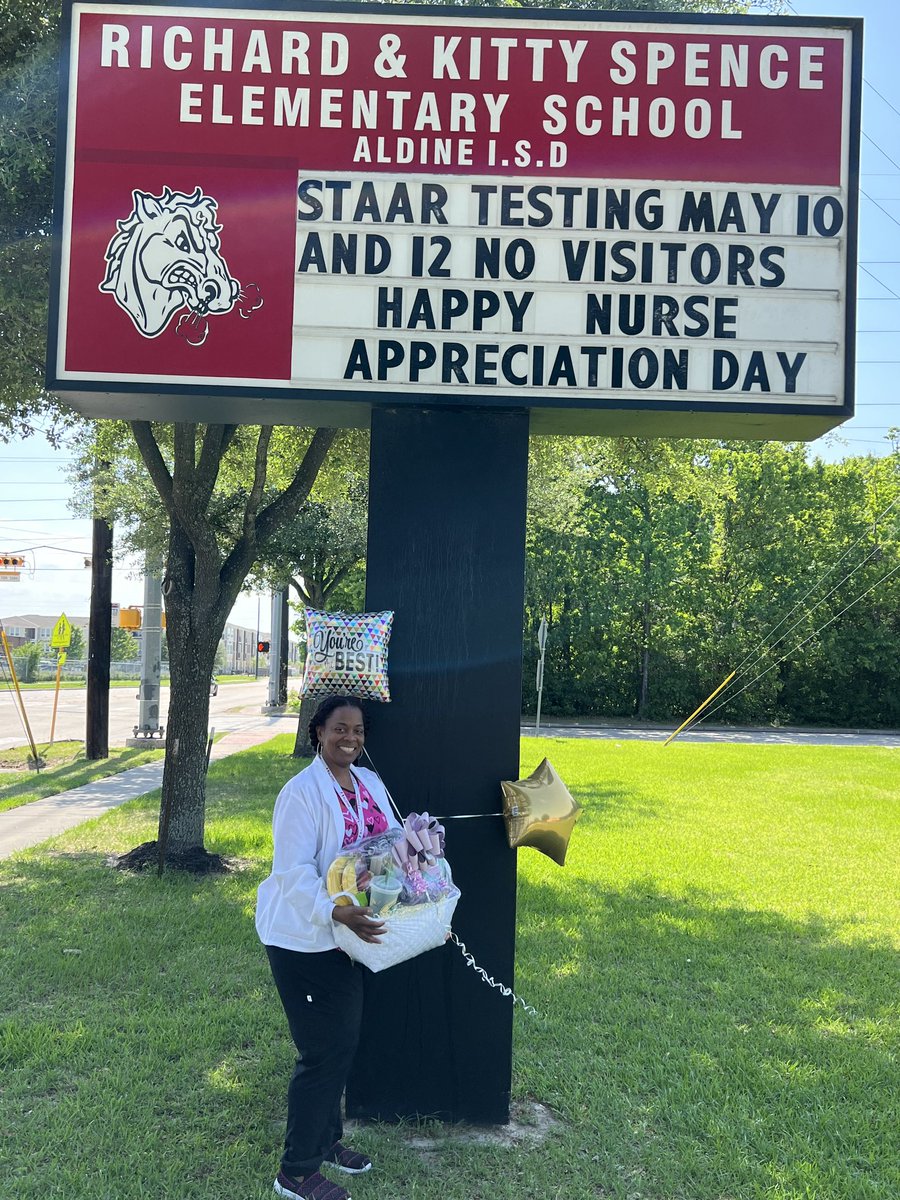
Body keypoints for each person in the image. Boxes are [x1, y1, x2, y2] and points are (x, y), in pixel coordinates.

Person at [256, 694, 400, 1200]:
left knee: (344, 1042)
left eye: (358, 731)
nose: (350, 739)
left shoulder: (370, 784)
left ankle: (328, 1139)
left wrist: (421, 855)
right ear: (318, 732)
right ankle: (295, 1172)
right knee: (323, 1052)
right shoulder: (301, 793)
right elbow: (291, 875)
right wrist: (334, 910)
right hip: (304, 936)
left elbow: (391, 841)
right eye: (340, 729)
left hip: (349, 934)